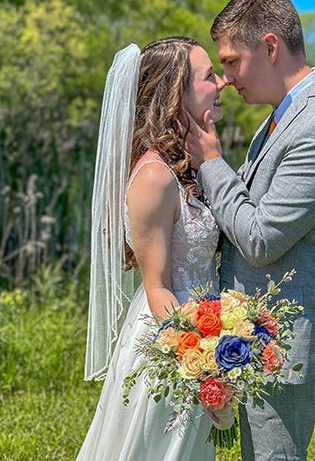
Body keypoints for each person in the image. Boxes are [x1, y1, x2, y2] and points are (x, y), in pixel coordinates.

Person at [184, 0, 315, 461]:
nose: (225, 79)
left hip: (282, 347)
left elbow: (261, 238)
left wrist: (209, 160)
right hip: (250, 338)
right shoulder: (282, 117)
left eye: (231, 62)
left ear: (270, 47)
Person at [77, 37, 226, 460]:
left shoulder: (184, 165)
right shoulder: (155, 177)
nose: (222, 84)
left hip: (197, 333)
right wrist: (203, 365)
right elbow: (158, 287)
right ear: (174, 93)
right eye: (208, 76)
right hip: (171, 339)